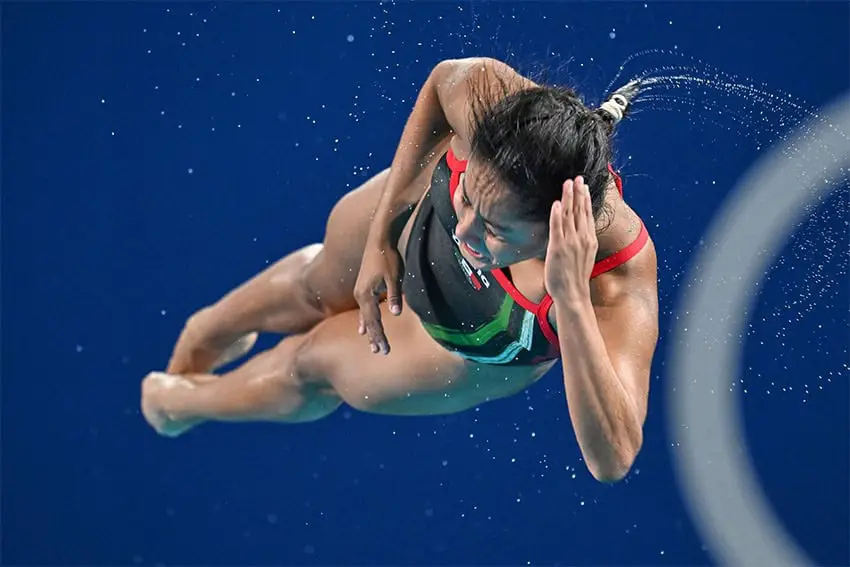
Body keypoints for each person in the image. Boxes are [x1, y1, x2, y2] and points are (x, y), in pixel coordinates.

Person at [141, 57, 659, 483]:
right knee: (317, 286)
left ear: (552, 230)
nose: (467, 233)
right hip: (416, 216)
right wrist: (380, 239)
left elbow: (613, 458)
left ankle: (183, 404)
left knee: (313, 362)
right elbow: (440, 83)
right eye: (469, 198)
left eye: (496, 230)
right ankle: (208, 327)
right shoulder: (493, 101)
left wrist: (569, 299)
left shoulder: (613, 278)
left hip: (469, 340)